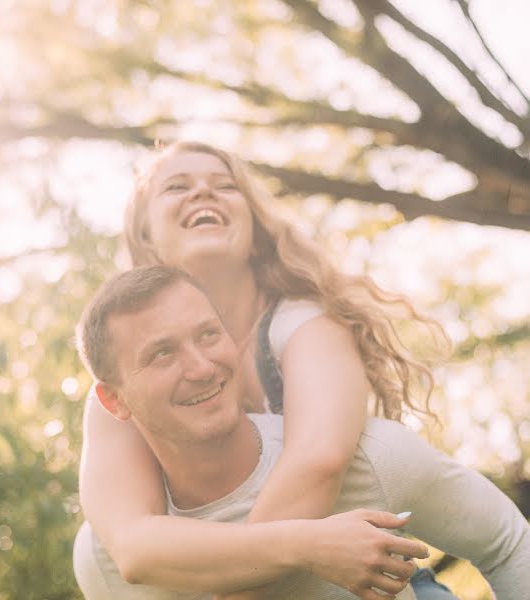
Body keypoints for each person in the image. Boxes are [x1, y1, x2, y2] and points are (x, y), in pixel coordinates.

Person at [76, 141, 447, 598]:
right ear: (145, 235)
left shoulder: (303, 326)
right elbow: (132, 544)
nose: (202, 194)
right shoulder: (120, 387)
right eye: (177, 186)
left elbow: (317, 465)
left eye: (225, 186)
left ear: (254, 232)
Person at [73, 266, 530, 599]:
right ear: (114, 400)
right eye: (162, 354)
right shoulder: (104, 561)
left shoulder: (371, 458)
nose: (202, 367)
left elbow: (503, 540)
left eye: (208, 335)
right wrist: (311, 545)